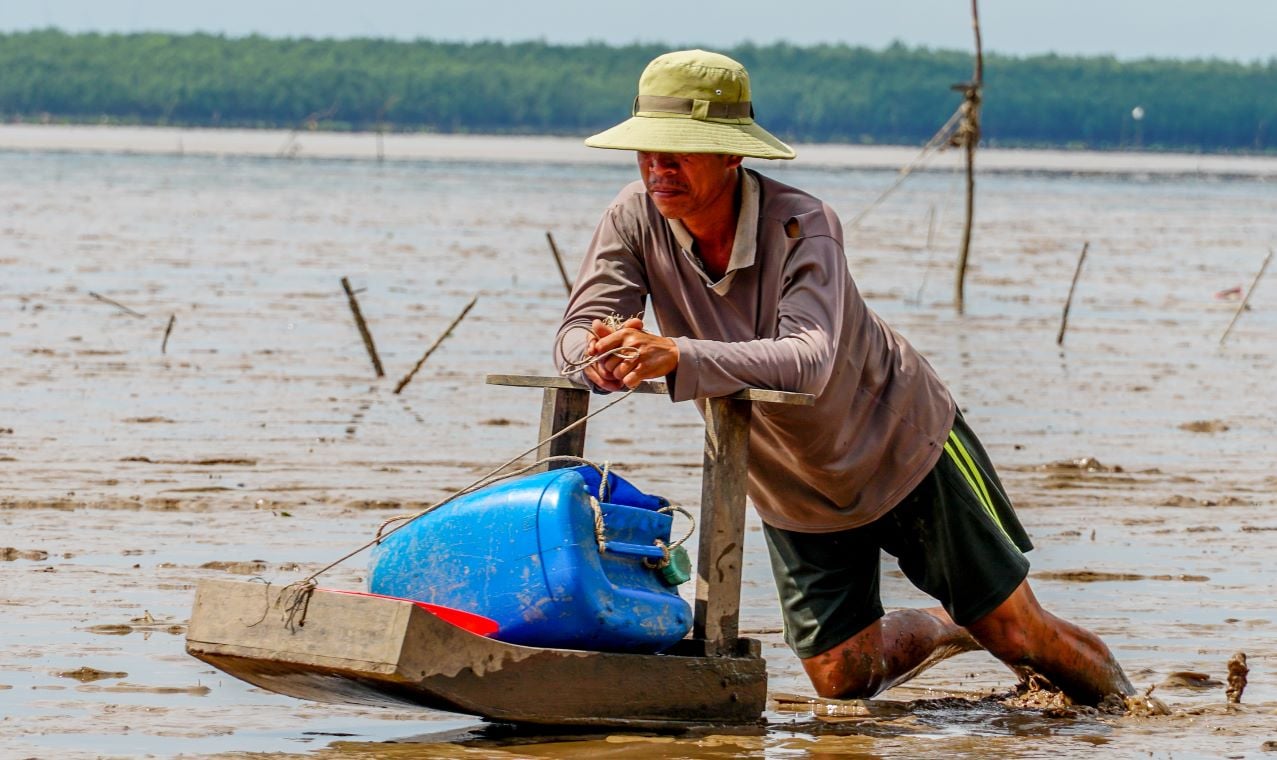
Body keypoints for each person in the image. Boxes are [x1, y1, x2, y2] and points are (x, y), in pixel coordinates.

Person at [554, 49, 1139, 707]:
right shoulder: (633, 216)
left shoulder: (803, 225)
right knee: (843, 677)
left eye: (679, 151)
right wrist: (601, 352)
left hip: (898, 443)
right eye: (647, 152)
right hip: (790, 478)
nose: (658, 168)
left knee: (1015, 631)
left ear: (731, 157)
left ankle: (1132, 718)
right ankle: (950, 627)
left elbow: (808, 357)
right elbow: (577, 329)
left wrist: (678, 355)